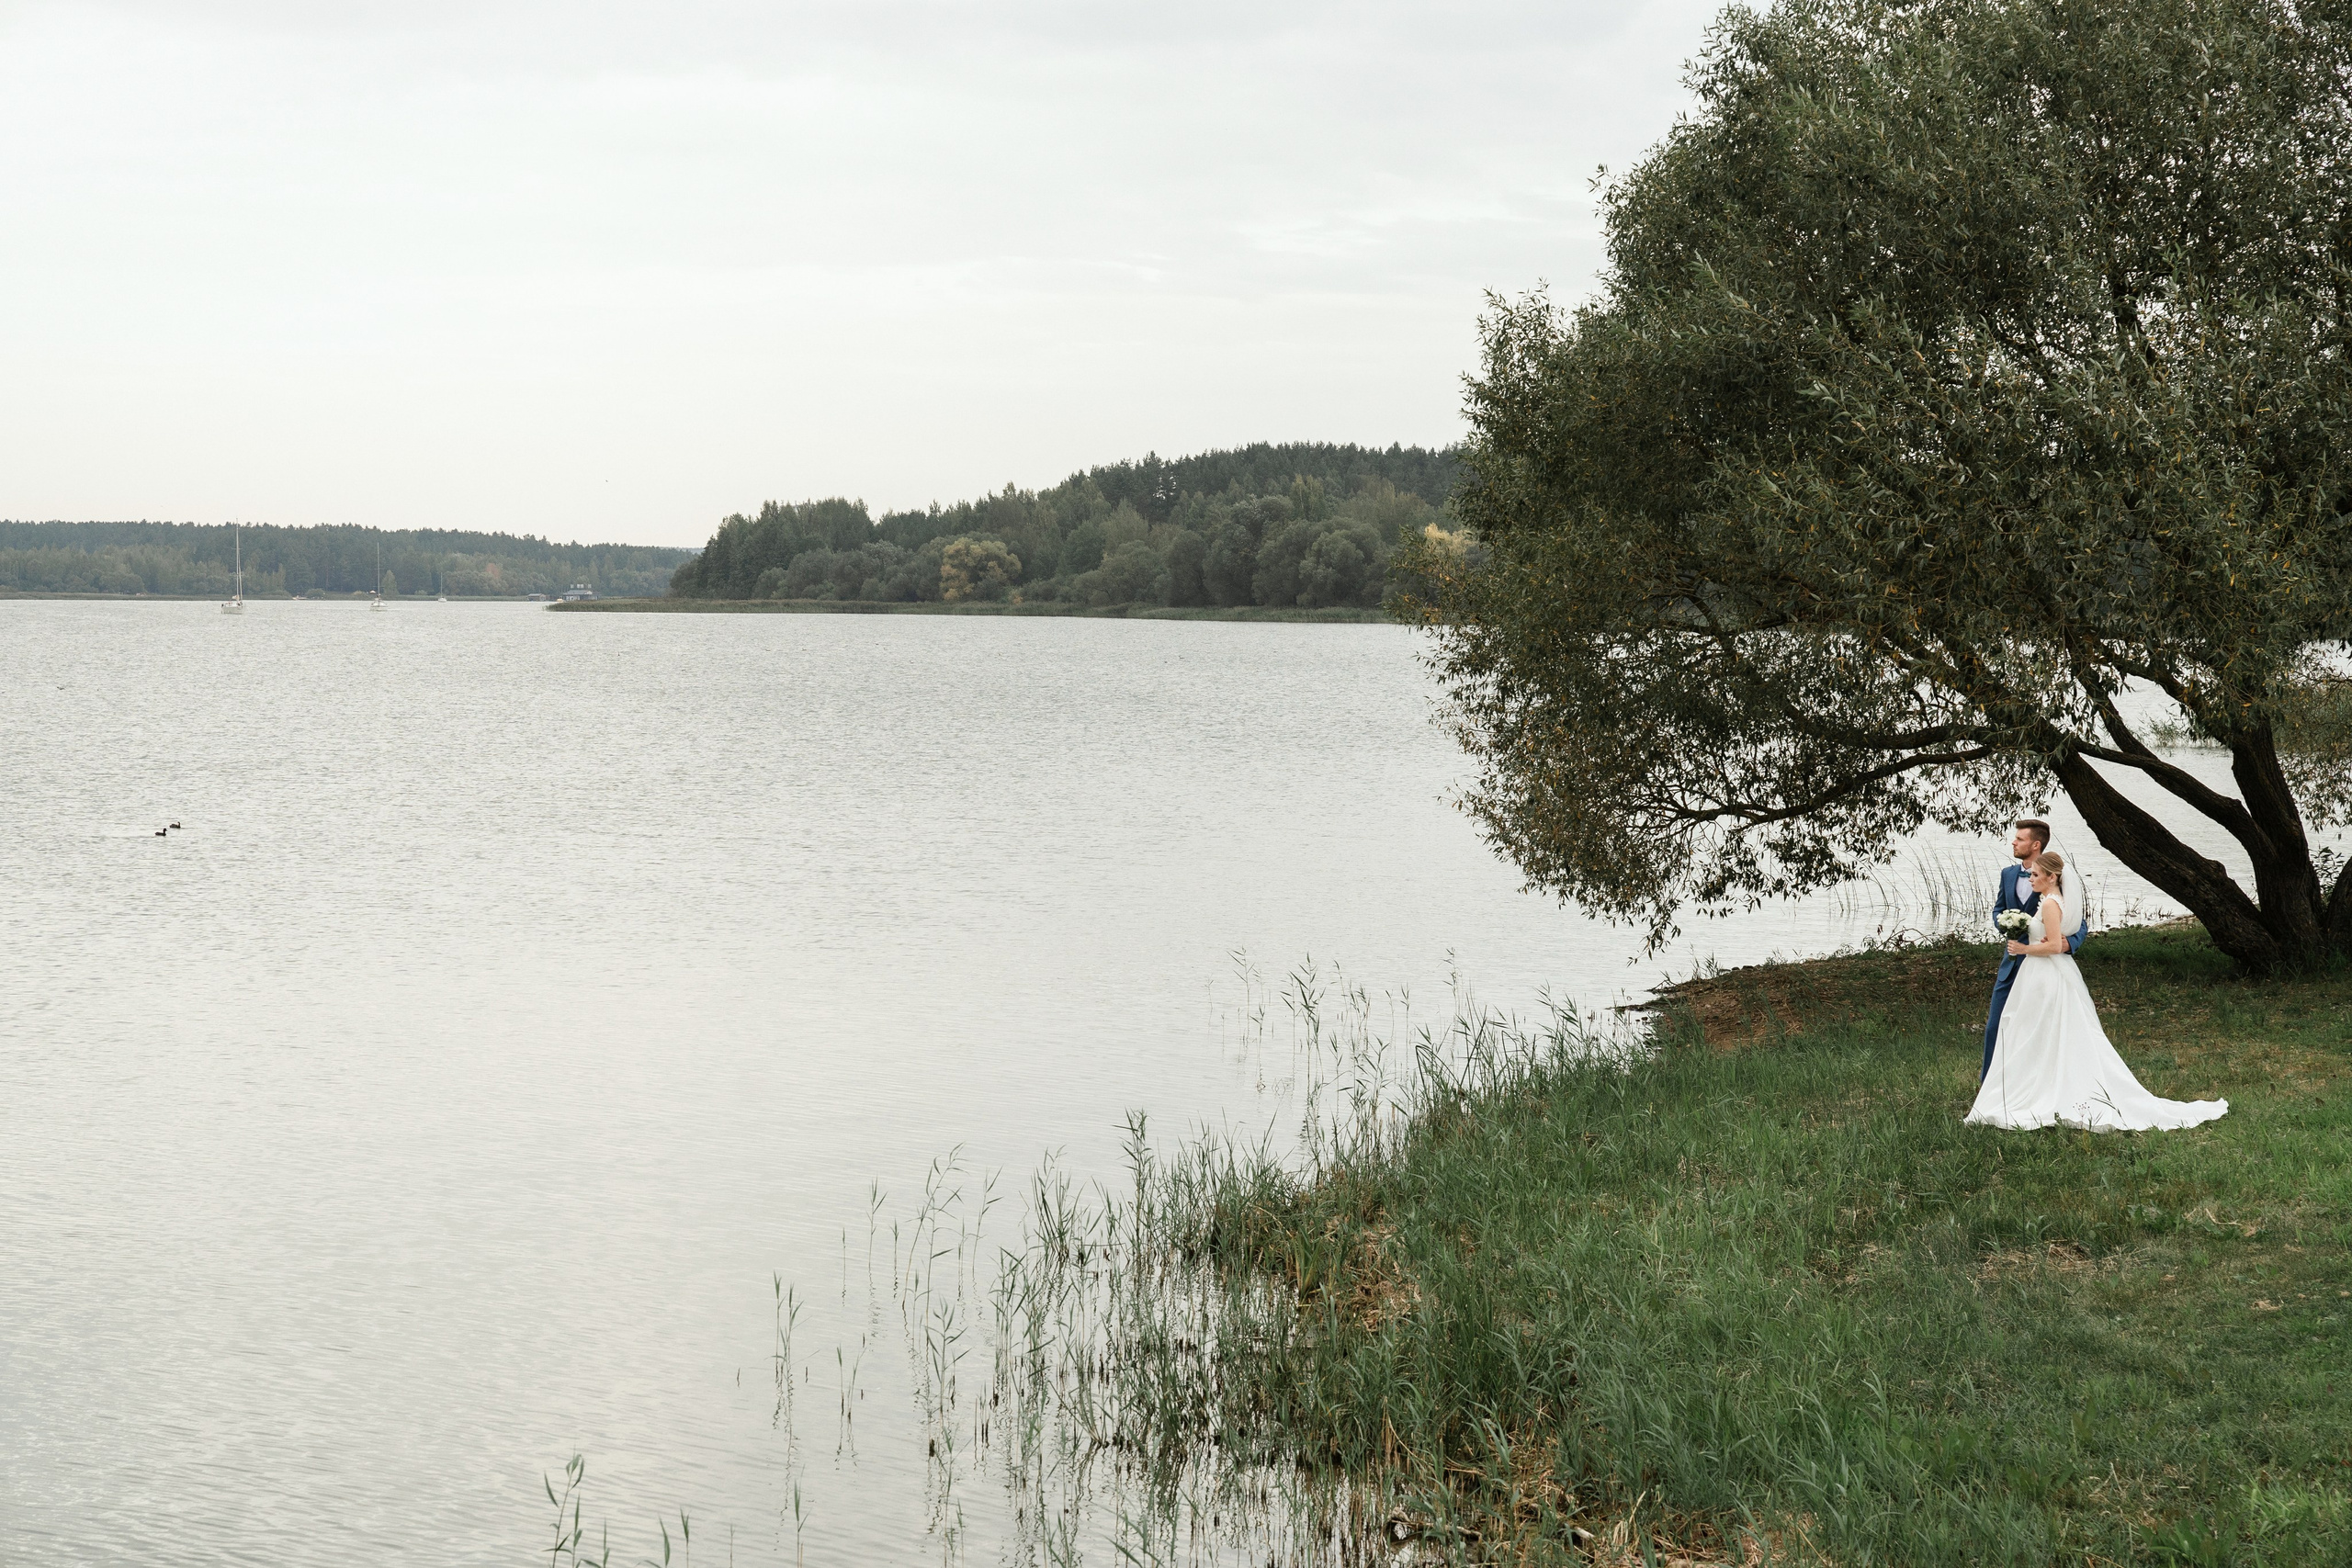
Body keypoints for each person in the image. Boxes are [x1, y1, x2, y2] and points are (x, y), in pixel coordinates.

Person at [1966, 851, 2229, 1131]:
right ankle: (2035, 1081)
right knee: (2037, 1031)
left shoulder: (2052, 905)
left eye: (2035, 874)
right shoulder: (2050, 901)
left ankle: (2041, 1089)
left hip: (2042, 974)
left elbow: (2055, 946)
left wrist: (2024, 949)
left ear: (2051, 877)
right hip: (2039, 975)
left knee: (2038, 1029)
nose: (2030, 877)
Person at [1983, 819, 2082, 1082]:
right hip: (2012, 964)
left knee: (2038, 1029)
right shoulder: (2007, 874)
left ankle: (2035, 1083)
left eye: (2020, 839)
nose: (2013, 842)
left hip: (2043, 967)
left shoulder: (2056, 880)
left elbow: (2078, 922)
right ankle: (1989, 1086)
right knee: (1997, 1026)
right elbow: (1999, 908)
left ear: (2035, 845)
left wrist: (2068, 943)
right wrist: (2007, 925)